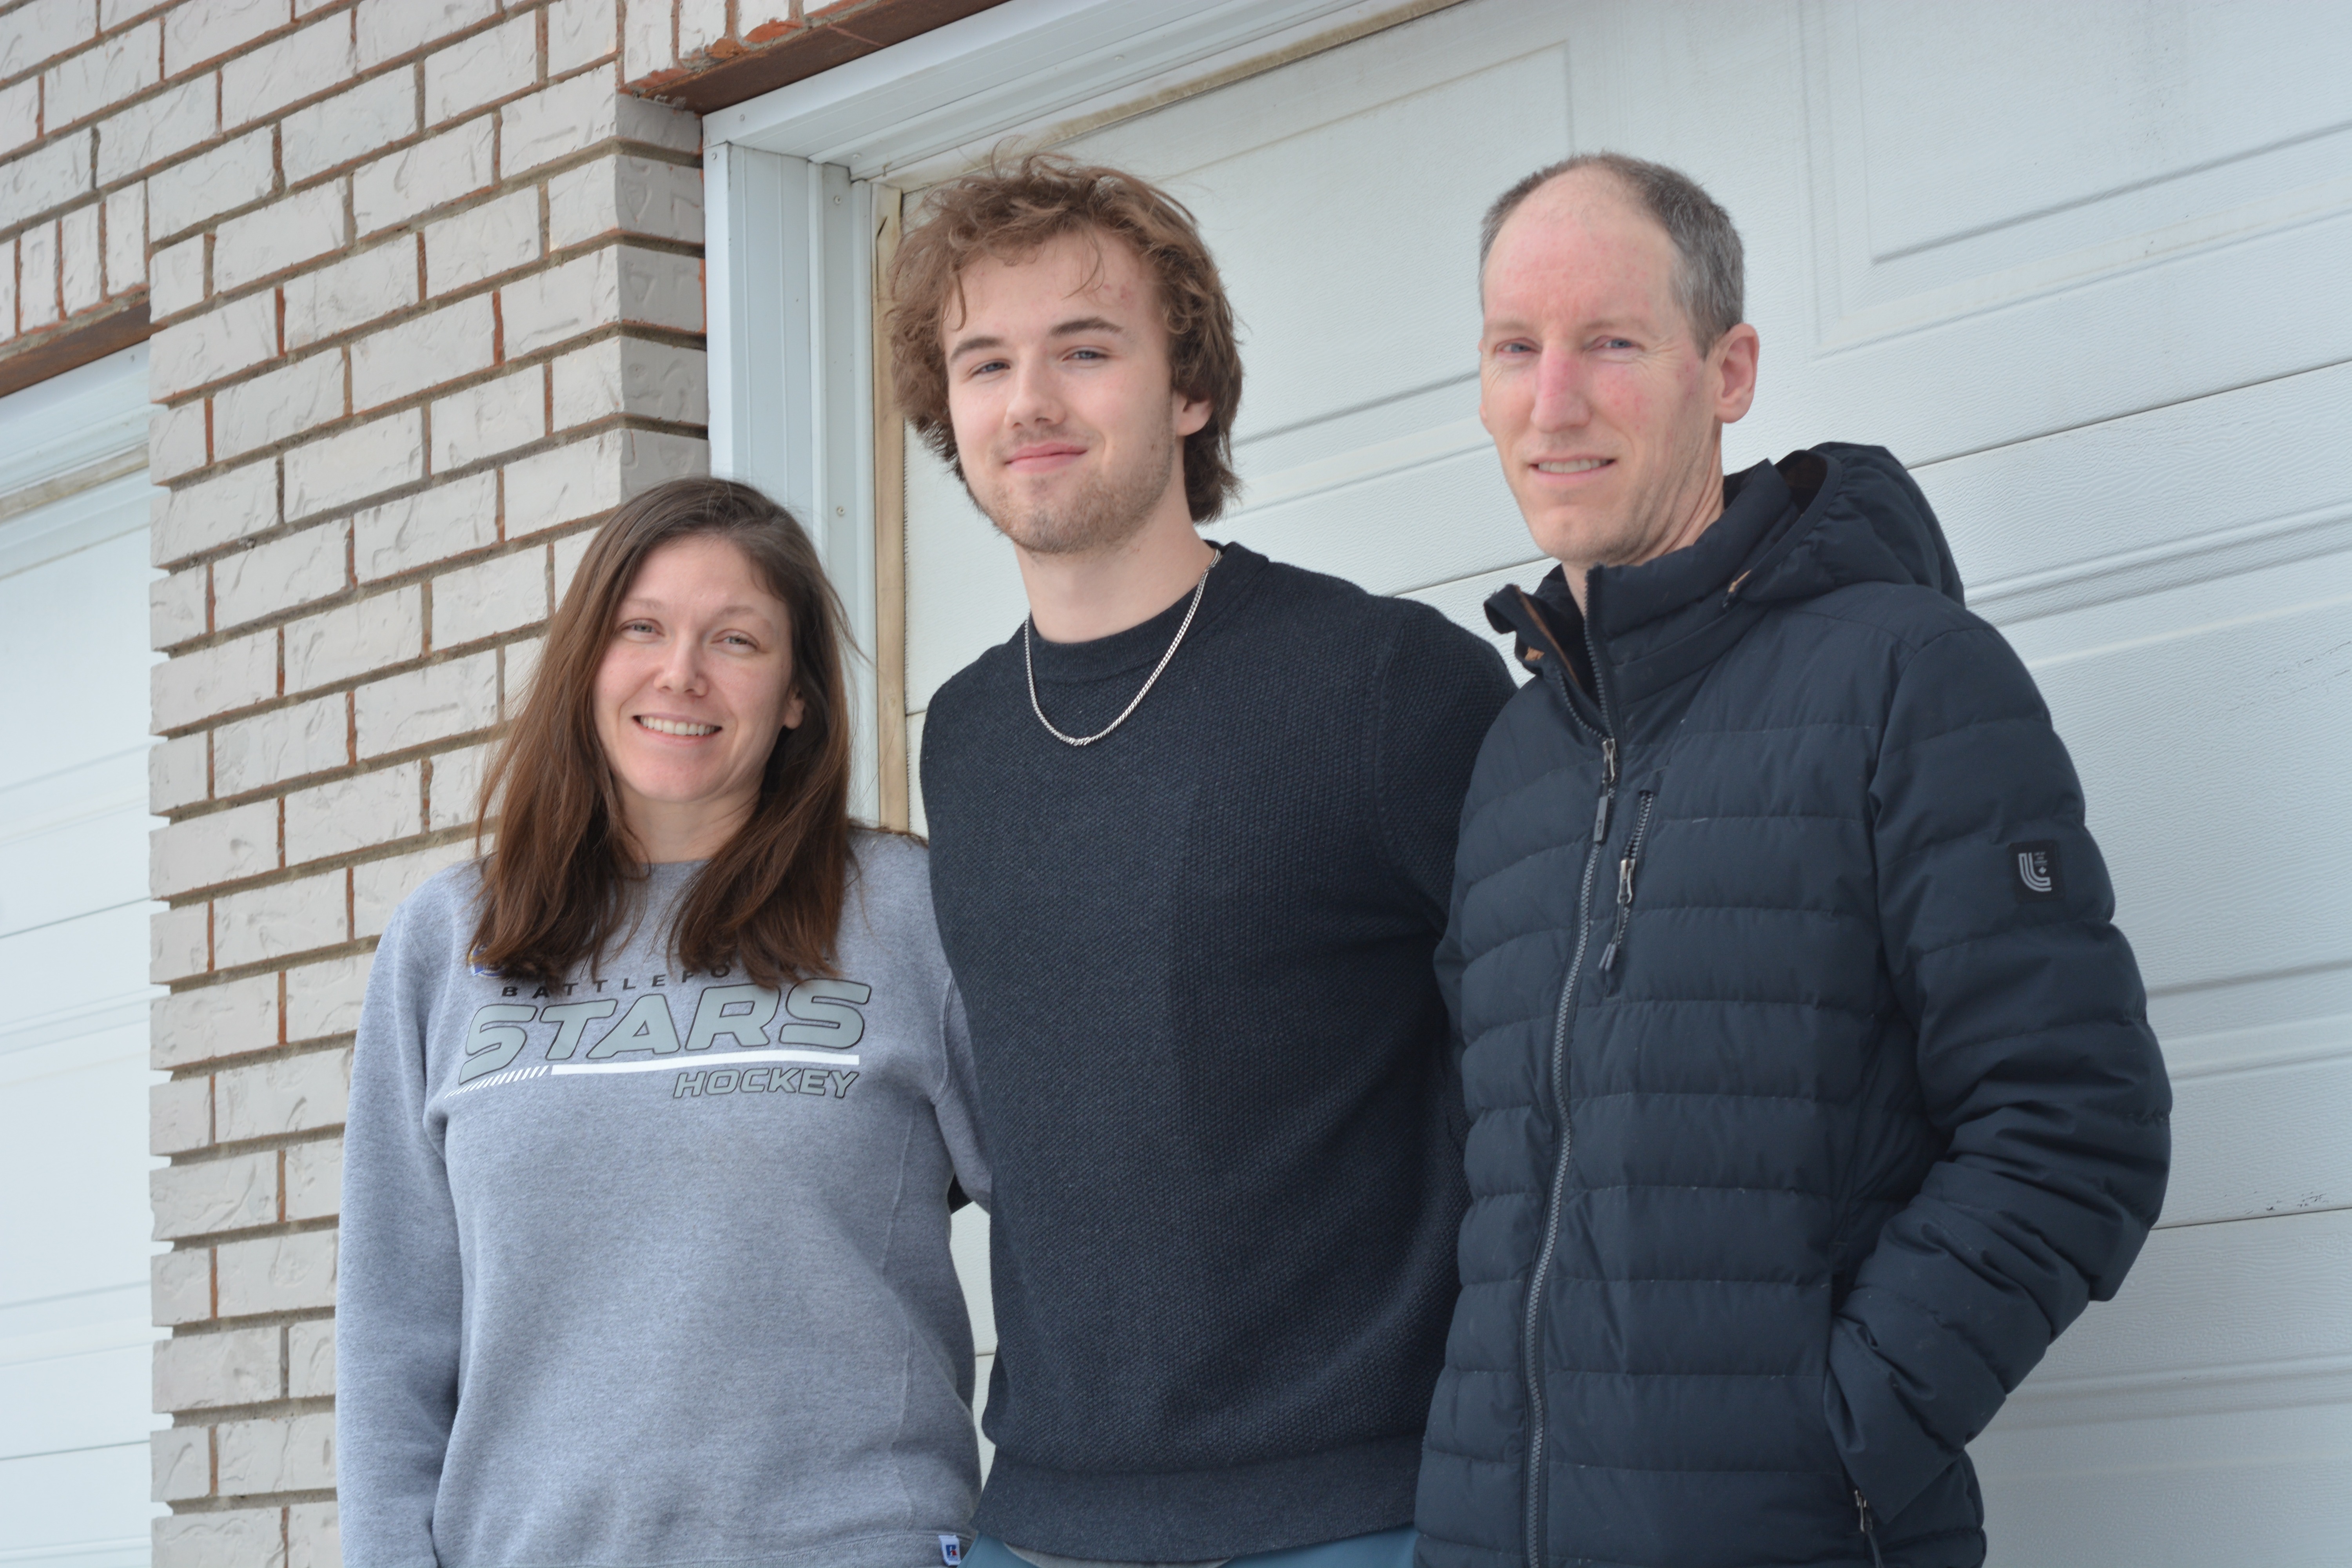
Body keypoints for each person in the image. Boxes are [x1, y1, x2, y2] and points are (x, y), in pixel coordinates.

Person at [1414, 153, 2173, 1568]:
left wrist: (1843, 1434)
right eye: (1516, 348)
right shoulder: (1520, 756)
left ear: (1731, 370)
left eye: (1613, 343)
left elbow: (2076, 1121)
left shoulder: (1908, 677)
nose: (1553, 399)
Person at [888, 155, 1517, 1568]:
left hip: (1359, 1515)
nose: (1030, 402)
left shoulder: (1386, 686)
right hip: (1039, 1519)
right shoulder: (967, 735)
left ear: (1191, 391)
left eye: (1085, 350)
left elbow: (1560, 1083)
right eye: (984, 363)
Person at [336, 478, 989, 1568]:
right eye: (641, 627)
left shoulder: (902, 914)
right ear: (588, 661)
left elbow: (1075, 1240)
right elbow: (392, 1330)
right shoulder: (450, 940)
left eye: (736, 639)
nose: (680, 673)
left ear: (796, 697)